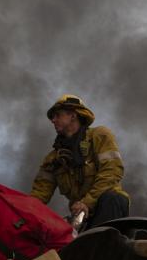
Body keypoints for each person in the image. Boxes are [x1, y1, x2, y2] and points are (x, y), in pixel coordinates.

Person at [30, 94, 130, 227]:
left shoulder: (99, 136)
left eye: (57, 115)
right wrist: (19, 209)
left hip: (107, 208)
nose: (53, 120)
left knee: (112, 198)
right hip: (80, 217)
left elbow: (112, 172)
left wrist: (86, 203)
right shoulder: (53, 159)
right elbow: (39, 194)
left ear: (73, 115)